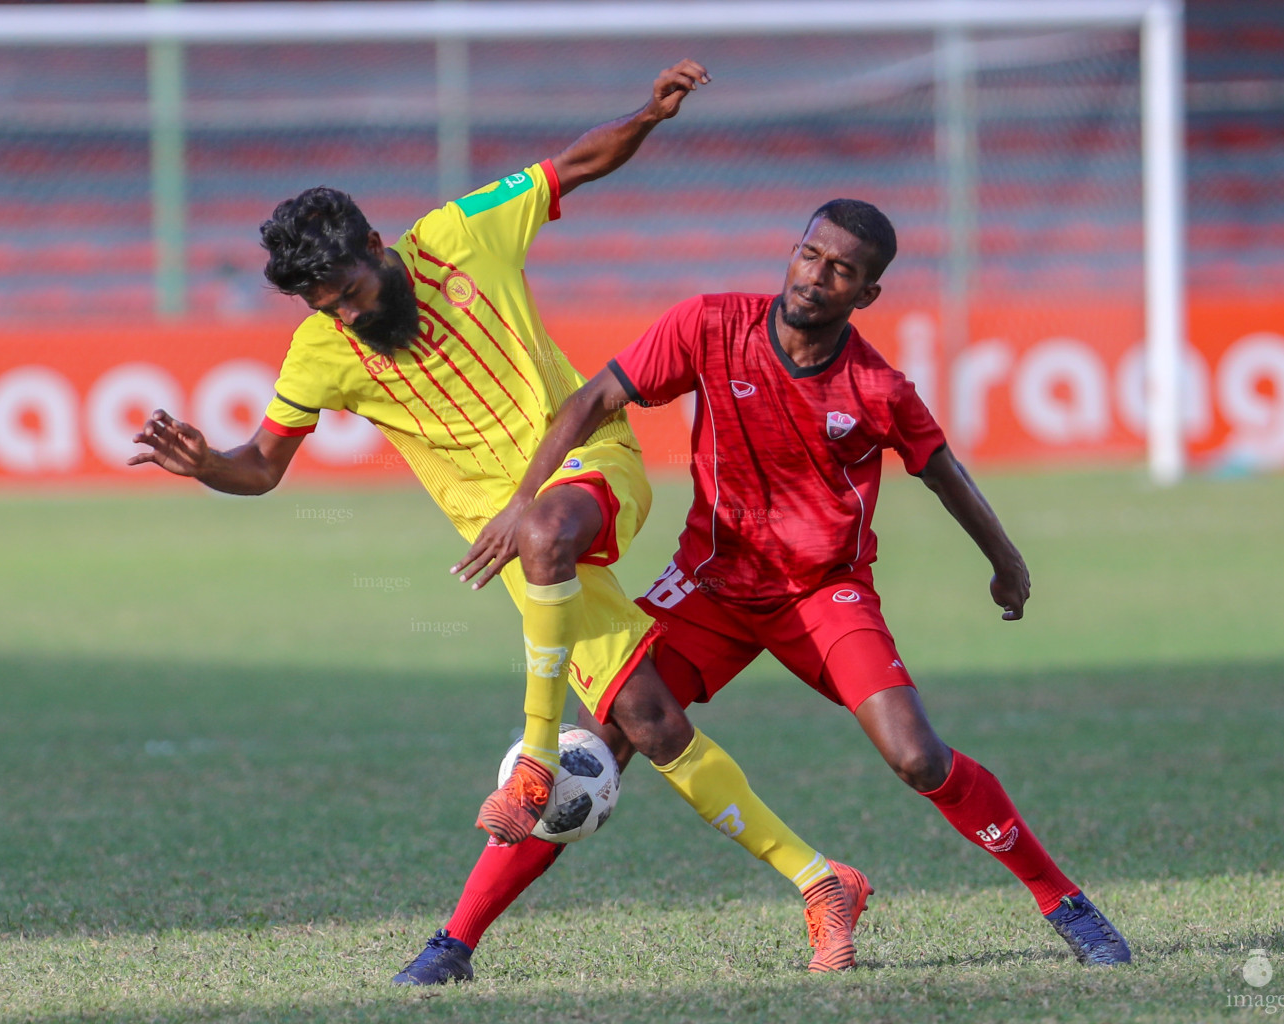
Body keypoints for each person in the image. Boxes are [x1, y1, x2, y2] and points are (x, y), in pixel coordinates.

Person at [130, 61, 870, 980]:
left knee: (545, 533)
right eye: (331, 310)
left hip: (587, 474)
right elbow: (264, 466)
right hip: (521, 555)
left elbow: (577, 164)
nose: (352, 317)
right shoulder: (320, 352)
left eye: (354, 292)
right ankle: (820, 880)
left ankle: (533, 759)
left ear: (375, 242)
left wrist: (649, 112)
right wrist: (207, 468)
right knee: (649, 722)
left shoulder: (460, 235)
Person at [419, 197, 1133, 979]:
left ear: (866, 296)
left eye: (842, 272)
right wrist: (525, 501)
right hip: (710, 585)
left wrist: (1006, 559)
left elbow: (943, 473)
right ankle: (453, 944)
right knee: (597, 747)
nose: (816, 277)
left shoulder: (877, 389)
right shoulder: (709, 325)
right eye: (809, 255)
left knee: (917, 757)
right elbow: (593, 400)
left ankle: (1065, 903)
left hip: (822, 594)